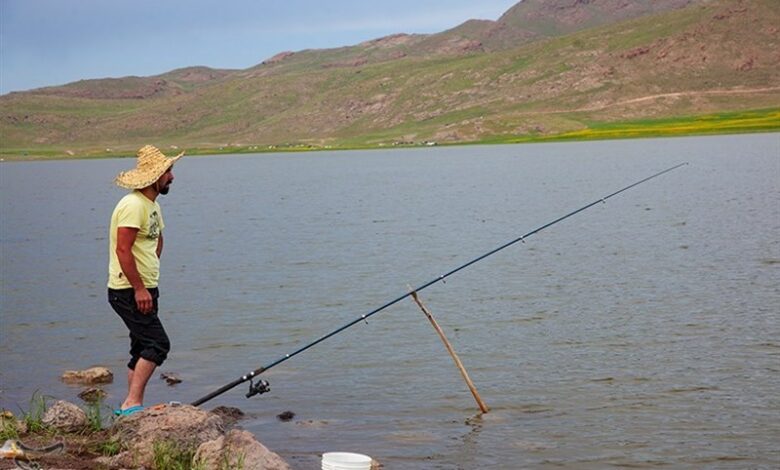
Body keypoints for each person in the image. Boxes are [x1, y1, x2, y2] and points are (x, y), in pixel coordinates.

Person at [107, 145, 183, 416]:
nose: (172, 177)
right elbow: (123, 249)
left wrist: (149, 277)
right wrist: (139, 288)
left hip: (145, 287)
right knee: (158, 344)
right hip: (128, 289)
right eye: (168, 172)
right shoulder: (132, 205)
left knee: (140, 346)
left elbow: (157, 240)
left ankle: (130, 406)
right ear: (155, 177)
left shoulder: (151, 205)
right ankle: (132, 405)